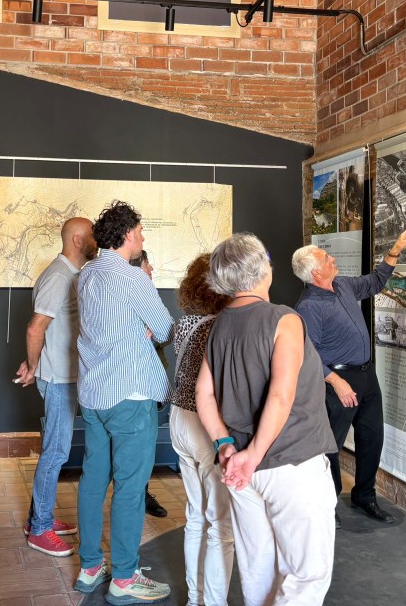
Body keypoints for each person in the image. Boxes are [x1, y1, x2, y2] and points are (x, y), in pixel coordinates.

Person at [196, 234, 337, 606]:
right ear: (263, 267)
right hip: (292, 463)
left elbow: (203, 394)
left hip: (243, 470)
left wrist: (226, 445)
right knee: (307, 574)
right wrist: (254, 454)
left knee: (259, 572)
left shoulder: (219, 325)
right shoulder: (284, 319)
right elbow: (280, 396)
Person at [73, 201, 175, 605]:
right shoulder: (133, 278)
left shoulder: (85, 274)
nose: (143, 236)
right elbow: (164, 329)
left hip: (93, 394)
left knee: (93, 481)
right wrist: (144, 324)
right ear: (129, 234)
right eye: (141, 231)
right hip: (130, 395)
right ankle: (125, 579)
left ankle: (90, 567)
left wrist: (136, 326)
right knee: (130, 489)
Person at [291, 224, 406, 527]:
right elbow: (307, 354)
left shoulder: (343, 285)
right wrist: (336, 381)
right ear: (316, 273)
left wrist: (395, 251)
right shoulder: (308, 306)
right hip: (337, 383)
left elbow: (375, 282)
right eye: (326, 259)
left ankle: (364, 496)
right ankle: (327, 503)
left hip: (366, 378)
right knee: (330, 446)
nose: (332, 259)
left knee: (372, 439)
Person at [15, 217, 98, 556]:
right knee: (56, 453)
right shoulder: (59, 276)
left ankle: (39, 517)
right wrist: (34, 365)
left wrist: (35, 361)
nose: (97, 240)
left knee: (56, 451)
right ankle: (39, 529)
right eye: (92, 235)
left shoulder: (71, 274)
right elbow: (36, 328)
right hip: (58, 379)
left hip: (66, 375)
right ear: (78, 240)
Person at [169, 254, 234, 606]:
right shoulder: (220, 326)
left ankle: (196, 599)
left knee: (195, 517)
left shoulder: (184, 323)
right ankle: (214, 601)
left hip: (179, 418)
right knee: (221, 525)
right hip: (205, 423)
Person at [129, 250, 169, 519]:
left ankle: (141, 493)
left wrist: (156, 331)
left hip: (151, 382)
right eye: (147, 264)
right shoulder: (129, 295)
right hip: (134, 385)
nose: (151, 268)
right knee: (135, 448)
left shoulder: (148, 295)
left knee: (145, 448)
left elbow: (166, 332)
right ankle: (133, 496)